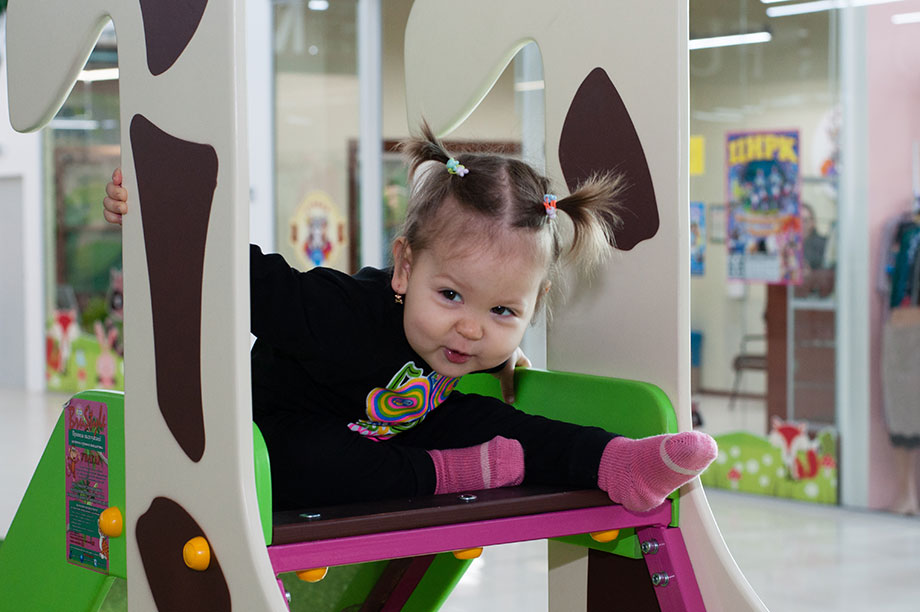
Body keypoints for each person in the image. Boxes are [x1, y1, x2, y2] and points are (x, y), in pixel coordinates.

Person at [102, 125, 717, 513]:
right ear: (404, 269)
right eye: (451, 296)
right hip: (278, 437)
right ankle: (441, 474)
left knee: (513, 423)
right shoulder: (337, 316)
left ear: (534, 305)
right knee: (311, 461)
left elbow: (485, 344)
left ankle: (623, 463)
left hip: (394, 425)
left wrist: (509, 353)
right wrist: (161, 214)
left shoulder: (463, 344)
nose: (472, 330)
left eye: (504, 311)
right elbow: (249, 279)